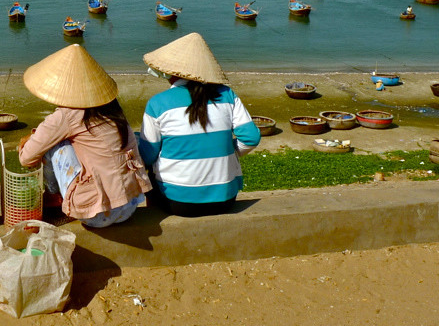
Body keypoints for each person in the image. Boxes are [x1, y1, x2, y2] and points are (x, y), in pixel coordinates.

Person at [17, 44, 151, 228]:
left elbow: (27, 158)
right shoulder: (113, 108)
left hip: (97, 214)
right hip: (129, 206)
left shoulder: (67, 115)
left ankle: (54, 200)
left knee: (55, 146)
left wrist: (29, 142)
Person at [138, 33, 261, 217]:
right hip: (225, 200)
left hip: (177, 202)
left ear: (170, 71)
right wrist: (230, 151)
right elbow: (251, 138)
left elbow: (148, 155)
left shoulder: (158, 103)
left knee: (149, 170)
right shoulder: (227, 95)